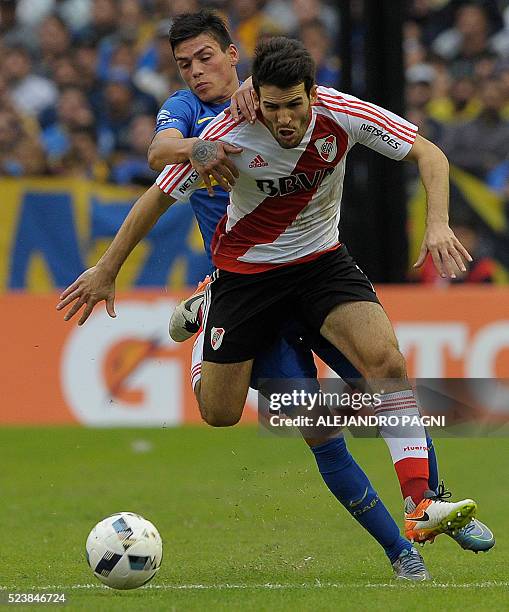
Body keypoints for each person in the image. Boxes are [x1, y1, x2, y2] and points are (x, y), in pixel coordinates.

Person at [55, 22, 490, 575]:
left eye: (294, 106)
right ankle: (208, 313)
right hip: (247, 281)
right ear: (257, 101)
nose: (284, 119)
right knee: (226, 413)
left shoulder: (343, 113)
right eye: (273, 108)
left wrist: (437, 224)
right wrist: (106, 269)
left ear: (312, 93)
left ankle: (422, 505)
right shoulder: (224, 132)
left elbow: (429, 154)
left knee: (386, 367)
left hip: (321, 265)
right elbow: (157, 190)